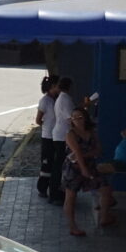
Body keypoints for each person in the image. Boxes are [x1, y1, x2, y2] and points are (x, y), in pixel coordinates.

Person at [61, 102, 112, 236]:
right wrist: (83, 168)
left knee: (105, 188)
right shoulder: (70, 134)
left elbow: (98, 150)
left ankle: (104, 217)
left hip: (90, 165)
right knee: (71, 196)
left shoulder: (92, 133)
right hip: (73, 168)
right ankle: (73, 226)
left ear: (85, 118)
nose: (77, 120)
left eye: (80, 117)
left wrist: (86, 156)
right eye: (74, 118)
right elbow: (76, 152)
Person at [39, 75, 77, 204]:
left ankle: (54, 192)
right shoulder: (64, 99)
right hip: (60, 135)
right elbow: (70, 118)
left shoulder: (58, 99)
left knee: (56, 164)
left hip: (57, 135)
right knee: (56, 165)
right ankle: (54, 192)